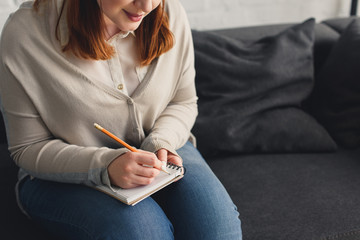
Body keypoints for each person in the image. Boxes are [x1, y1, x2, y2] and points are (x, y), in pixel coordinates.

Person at [0, 0, 242, 239]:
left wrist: (162, 142)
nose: (148, 6)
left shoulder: (170, 11)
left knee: (218, 230)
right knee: (142, 232)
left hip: (160, 146)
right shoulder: (26, 32)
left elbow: (183, 101)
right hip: (59, 174)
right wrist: (106, 165)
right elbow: (27, 148)